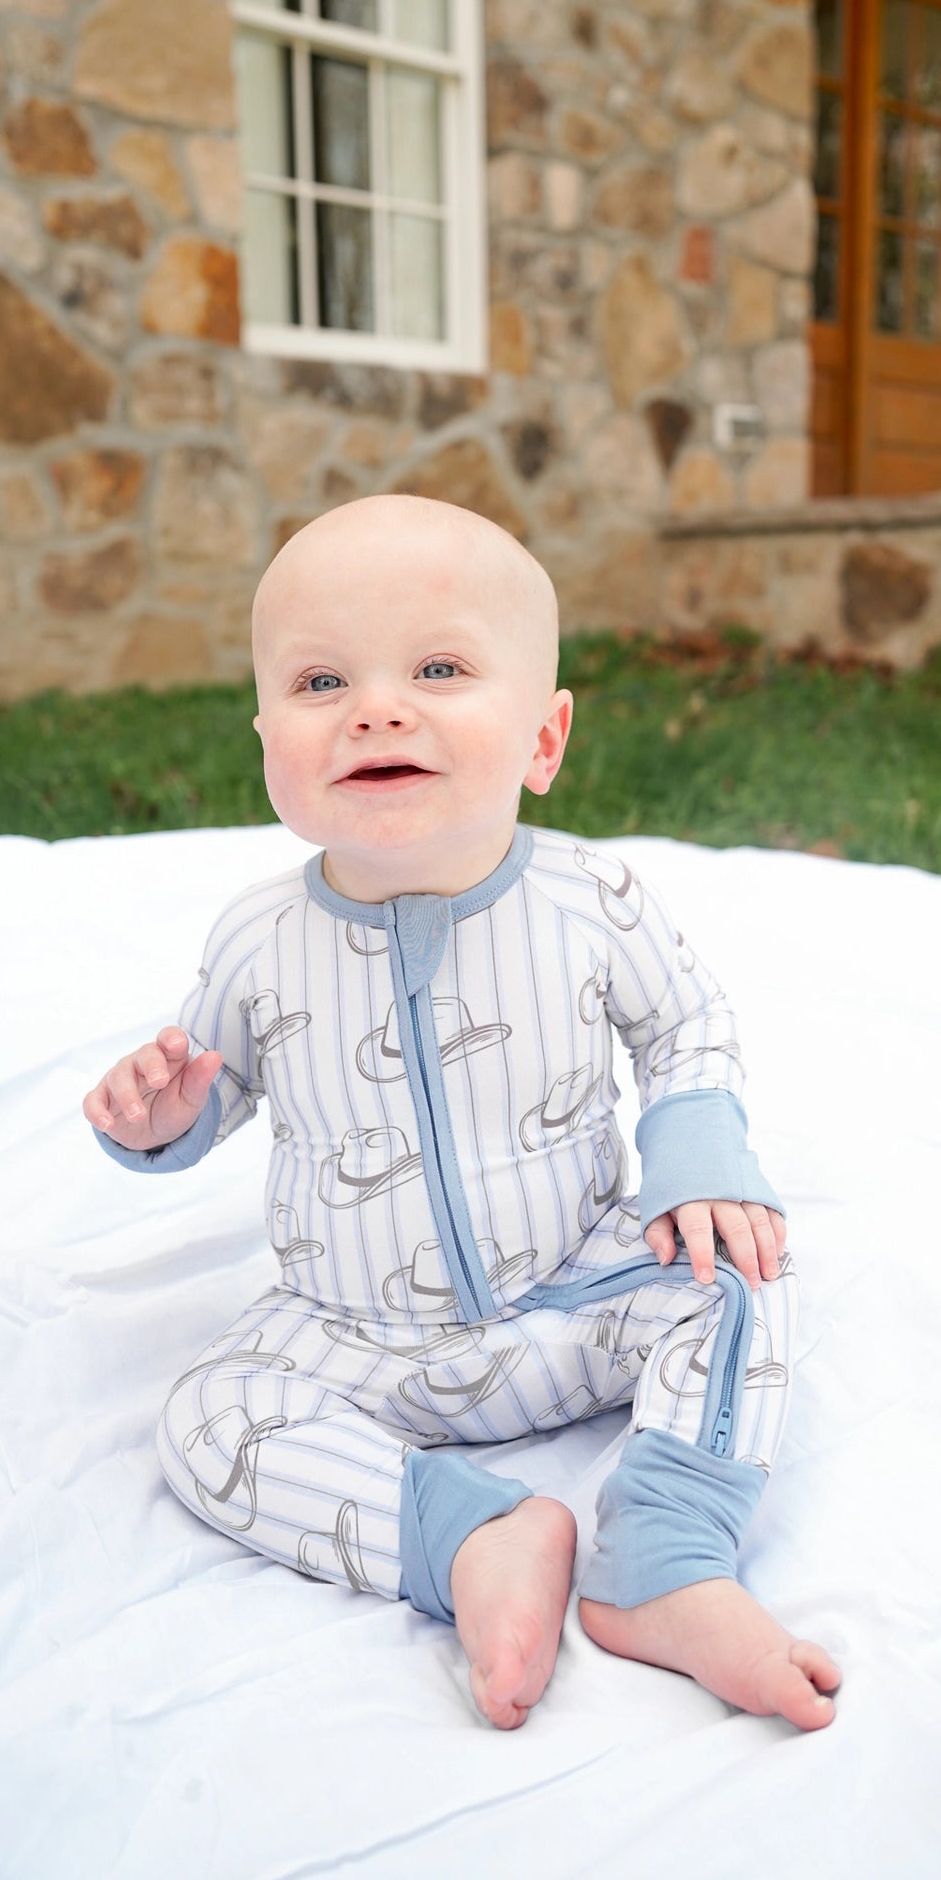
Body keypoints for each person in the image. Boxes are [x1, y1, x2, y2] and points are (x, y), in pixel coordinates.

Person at [83, 494, 841, 1733]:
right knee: (205, 1418)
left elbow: (685, 1022)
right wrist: (154, 1119)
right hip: (353, 1333)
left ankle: (664, 1559)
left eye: (438, 667)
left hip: (566, 1295)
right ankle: (476, 1539)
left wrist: (697, 1156)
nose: (378, 707)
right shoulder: (258, 942)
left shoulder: (590, 897)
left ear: (543, 739)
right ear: (269, 736)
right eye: (324, 680)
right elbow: (205, 1094)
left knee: (742, 1272)